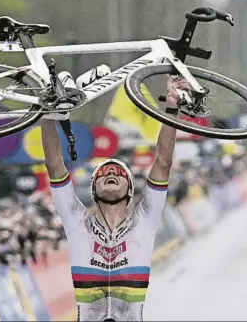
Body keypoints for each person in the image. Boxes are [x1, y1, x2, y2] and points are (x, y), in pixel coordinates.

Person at [41, 75, 186, 322]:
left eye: (118, 173)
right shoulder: (77, 222)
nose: (110, 171)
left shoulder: (145, 221)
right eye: (104, 173)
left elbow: (163, 161)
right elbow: (55, 164)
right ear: (94, 189)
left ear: (129, 191)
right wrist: (46, 114)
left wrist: (172, 105)